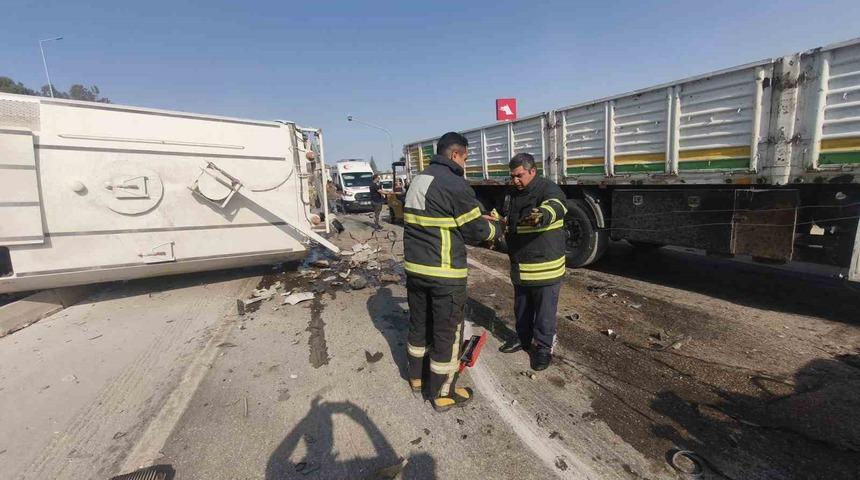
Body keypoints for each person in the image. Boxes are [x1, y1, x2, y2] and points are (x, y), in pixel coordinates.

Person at [403, 132, 502, 412]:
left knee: (419, 326)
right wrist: (496, 228)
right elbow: (477, 230)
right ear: (456, 155)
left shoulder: (419, 179)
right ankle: (443, 393)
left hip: (415, 270)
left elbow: (437, 216)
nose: (465, 164)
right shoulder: (454, 183)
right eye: (466, 158)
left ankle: (416, 379)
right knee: (448, 333)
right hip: (444, 274)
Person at [498, 153, 568, 371]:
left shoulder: (548, 189)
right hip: (520, 264)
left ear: (532, 171)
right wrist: (496, 219)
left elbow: (557, 206)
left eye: (519, 176)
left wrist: (543, 214)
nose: (515, 180)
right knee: (522, 309)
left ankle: (543, 349)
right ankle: (523, 338)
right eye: (512, 177)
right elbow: (505, 215)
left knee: (545, 314)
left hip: (544, 267)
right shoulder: (511, 193)